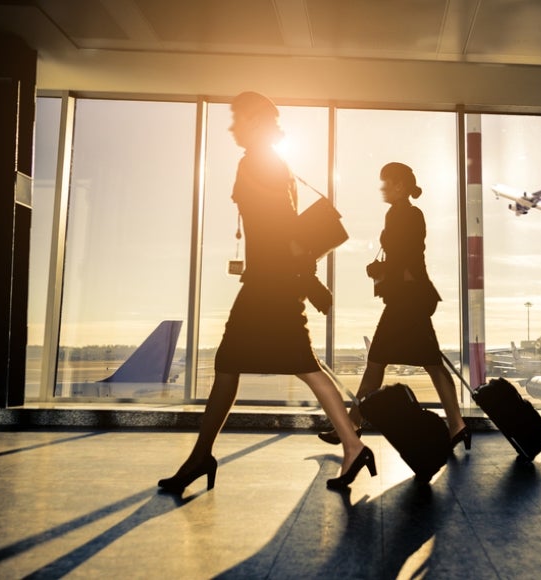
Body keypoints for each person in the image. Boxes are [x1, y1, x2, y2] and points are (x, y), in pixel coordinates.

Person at [158, 91, 374, 493]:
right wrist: (308, 282)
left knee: (288, 365)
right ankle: (202, 455)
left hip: (269, 286)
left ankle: (352, 444)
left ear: (256, 122)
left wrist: (308, 282)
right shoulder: (274, 164)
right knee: (238, 365)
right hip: (270, 282)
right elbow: (284, 230)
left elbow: (283, 231)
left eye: (238, 118)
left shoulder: (259, 163)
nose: (233, 126)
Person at [318, 162, 470, 450]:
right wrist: (384, 269)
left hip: (408, 300)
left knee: (379, 362)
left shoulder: (408, 214)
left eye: (386, 183)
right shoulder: (399, 213)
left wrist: (381, 271)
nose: (382, 188)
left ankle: (352, 425)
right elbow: (404, 256)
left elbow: (408, 257)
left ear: (400, 185)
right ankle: (457, 425)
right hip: (409, 299)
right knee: (426, 363)